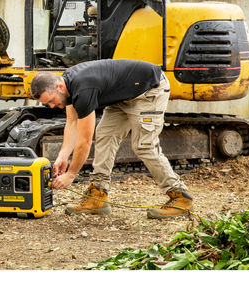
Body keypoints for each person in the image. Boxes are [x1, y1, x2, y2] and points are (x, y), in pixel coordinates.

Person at [29, 58, 193, 219]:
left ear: (59, 87)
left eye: (51, 101)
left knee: (144, 146)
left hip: (149, 90)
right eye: (47, 104)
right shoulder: (67, 85)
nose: (51, 106)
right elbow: (72, 123)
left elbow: (85, 141)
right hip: (123, 97)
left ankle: (180, 197)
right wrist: (62, 156)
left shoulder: (83, 89)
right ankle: (98, 195)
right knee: (105, 135)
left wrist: (71, 174)